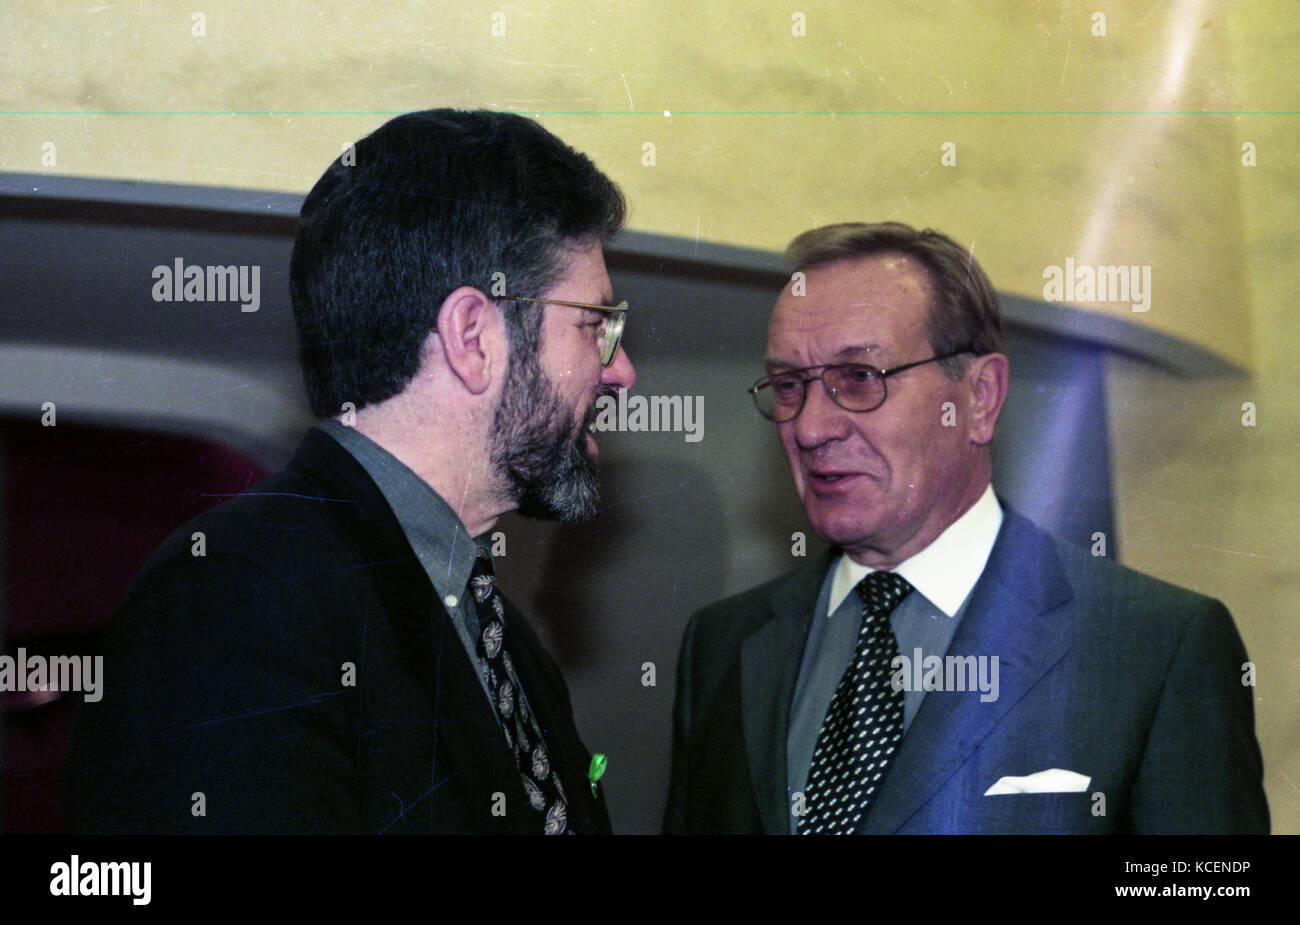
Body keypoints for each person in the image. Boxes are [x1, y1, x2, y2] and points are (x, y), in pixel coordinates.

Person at [65, 109, 635, 834]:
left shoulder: (510, 645)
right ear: (472, 338)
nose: (621, 370)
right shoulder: (234, 602)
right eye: (597, 324)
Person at [663, 221, 1268, 834]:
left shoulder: (1152, 649)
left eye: (859, 379)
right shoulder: (723, 646)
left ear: (980, 397)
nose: (811, 427)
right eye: (790, 386)